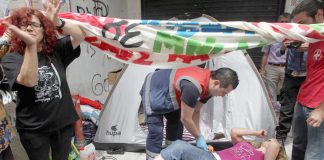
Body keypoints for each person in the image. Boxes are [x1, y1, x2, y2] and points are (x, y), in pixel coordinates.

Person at [0, 0, 85, 159]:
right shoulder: (12, 58)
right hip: (34, 130)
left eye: (34, 24)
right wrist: (30, 45)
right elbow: (29, 81)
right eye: (24, 25)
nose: (29, 27)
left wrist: (58, 22)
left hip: (63, 124)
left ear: (44, 29)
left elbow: (80, 35)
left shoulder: (56, 51)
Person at [140, 66, 239, 159]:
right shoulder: (193, 87)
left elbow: (196, 111)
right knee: (156, 132)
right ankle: (152, 158)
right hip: (153, 89)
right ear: (216, 83)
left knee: (176, 126)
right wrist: (198, 137)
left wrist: (199, 135)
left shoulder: (209, 89)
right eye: (224, 92)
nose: (222, 96)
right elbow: (186, 119)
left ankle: (170, 155)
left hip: (170, 93)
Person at [290, 0, 324, 159]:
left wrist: (322, 110)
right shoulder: (314, 38)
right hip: (303, 101)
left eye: (303, 23)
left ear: (319, 14)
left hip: (318, 107)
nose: (302, 29)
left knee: (314, 154)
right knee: (298, 146)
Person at [155, 128, 281, 160]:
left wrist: (270, 144)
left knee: (179, 147)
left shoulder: (263, 158)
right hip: (211, 157)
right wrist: (256, 132)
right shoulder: (248, 145)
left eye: (270, 140)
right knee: (179, 147)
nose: (269, 140)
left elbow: (276, 145)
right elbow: (234, 132)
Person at [276, 40, 307, 142]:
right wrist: (283, 47)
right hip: (291, 75)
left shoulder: (313, 37)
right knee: (287, 106)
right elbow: (277, 52)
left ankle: (305, 135)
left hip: (308, 76)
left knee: (307, 107)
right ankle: (281, 136)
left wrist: (310, 46)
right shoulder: (290, 35)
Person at [259, 13, 290, 99]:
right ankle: (272, 110)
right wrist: (262, 70)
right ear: (278, 22)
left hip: (286, 68)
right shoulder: (271, 36)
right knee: (270, 90)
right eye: (282, 21)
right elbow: (265, 54)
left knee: (284, 90)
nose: (283, 23)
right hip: (271, 67)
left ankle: (281, 110)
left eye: (286, 22)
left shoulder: (293, 36)